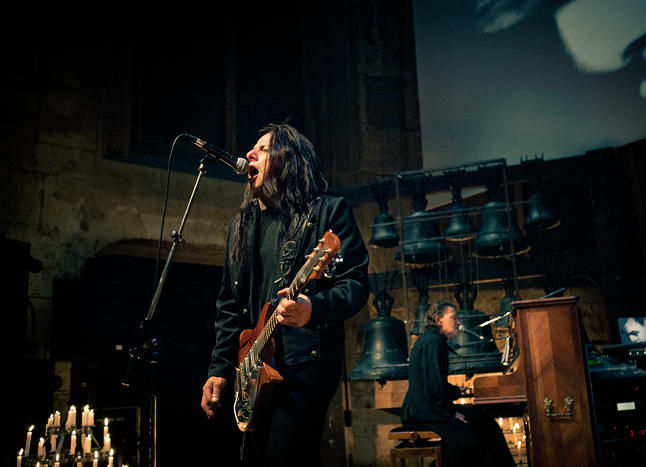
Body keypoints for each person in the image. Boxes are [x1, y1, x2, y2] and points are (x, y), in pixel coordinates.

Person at [200, 123, 369, 466]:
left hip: (306, 362)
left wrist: (312, 308)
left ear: (288, 160)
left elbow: (355, 284)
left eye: (262, 149)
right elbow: (229, 305)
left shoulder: (328, 212)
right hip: (255, 366)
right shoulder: (241, 225)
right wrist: (219, 367)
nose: (250, 154)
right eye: (252, 149)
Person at [401, 301, 515, 467]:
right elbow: (433, 387)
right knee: (479, 429)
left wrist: (454, 392)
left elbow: (433, 383)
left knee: (483, 422)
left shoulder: (432, 340)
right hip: (426, 411)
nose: (459, 322)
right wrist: (450, 413)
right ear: (439, 320)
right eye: (454, 318)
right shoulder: (433, 342)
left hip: (426, 407)